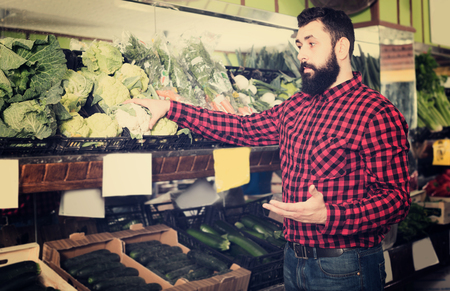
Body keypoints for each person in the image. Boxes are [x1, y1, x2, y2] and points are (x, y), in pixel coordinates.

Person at [125, 7, 411, 290]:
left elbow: (396, 200)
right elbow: (241, 127)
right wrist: (172, 109)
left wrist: (328, 215)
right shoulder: (296, 106)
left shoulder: (375, 112)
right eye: (299, 45)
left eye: (312, 43)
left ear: (342, 47)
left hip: (346, 266)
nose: (302, 54)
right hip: (293, 261)